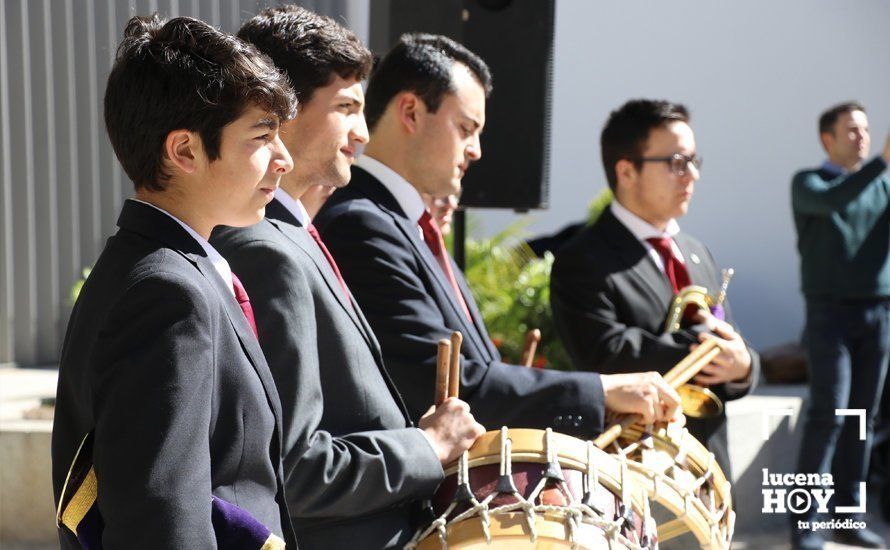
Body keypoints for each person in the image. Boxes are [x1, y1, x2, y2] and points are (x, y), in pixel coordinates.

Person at [314, 34, 681, 439]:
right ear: (411, 112)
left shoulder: (399, 223)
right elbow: (442, 387)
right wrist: (601, 390)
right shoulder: (361, 224)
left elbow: (468, 374)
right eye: (466, 128)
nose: (476, 151)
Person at [211, 8, 483, 548]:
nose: (362, 131)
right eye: (346, 108)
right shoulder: (267, 251)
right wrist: (426, 446)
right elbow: (295, 472)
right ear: (279, 112)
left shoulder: (293, 236)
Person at [51, 15, 298, 548]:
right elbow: (160, 519)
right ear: (184, 151)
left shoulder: (161, 267)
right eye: (262, 136)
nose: (284, 160)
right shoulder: (168, 292)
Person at [550, 99, 758, 476]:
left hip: (708, 467)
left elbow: (730, 334)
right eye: (677, 162)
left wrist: (743, 365)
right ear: (627, 171)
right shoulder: (583, 258)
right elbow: (604, 355)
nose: (691, 174)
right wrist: (700, 346)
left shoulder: (697, 252)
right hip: (637, 470)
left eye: (695, 161)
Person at [789, 101, 890, 550]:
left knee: (861, 419)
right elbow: (835, 200)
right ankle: (805, 523)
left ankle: (848, 517)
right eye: (851, 130)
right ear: (827, 139)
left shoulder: (881, 184)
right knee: (828, 414)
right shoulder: (809, 184)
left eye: (866, 129)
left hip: (878, 314)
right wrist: (882, 165)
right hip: (829, 315)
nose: (863, 137)